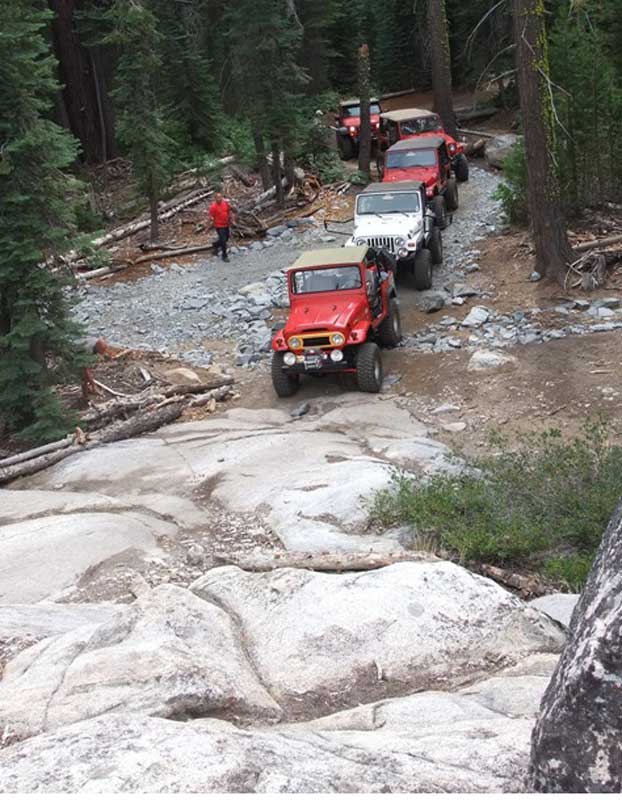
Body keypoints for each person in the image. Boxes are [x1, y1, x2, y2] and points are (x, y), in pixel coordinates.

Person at [208, 191, 235, 262]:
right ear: (215, 198)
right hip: (219, 225)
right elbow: (210, 217)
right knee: (223, 240)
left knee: (226, 238)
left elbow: (229, 211)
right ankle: (224, 255)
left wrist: (232, 219)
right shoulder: (213, 207)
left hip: (226, 224)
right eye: (218, 197)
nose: (219, 199)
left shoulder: (225, 203)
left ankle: (215, 245)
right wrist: (209, 224)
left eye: (220, 197)